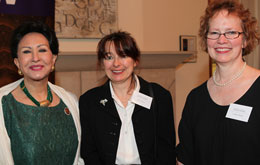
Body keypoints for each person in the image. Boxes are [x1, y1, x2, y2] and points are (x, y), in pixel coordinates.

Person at [176, 0, 260, 164]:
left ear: (245, 40)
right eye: (214, 33)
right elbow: (185, 158)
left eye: (231, 32)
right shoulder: (195, 99)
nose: (221, 40)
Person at [79, 31, 176, 165]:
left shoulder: (159, 96)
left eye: (123, 56)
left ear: (135, 60)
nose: (116, 64)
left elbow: (167, 150)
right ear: (102, 62)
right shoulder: (89, 101)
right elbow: (89, 152)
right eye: (109, 57)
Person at [0, 21, 84, 165]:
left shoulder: (70, 101)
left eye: (42, 50)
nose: (35, 58)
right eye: (26, 51)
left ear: (53, 59)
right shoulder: (4, 104)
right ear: (17, 63)